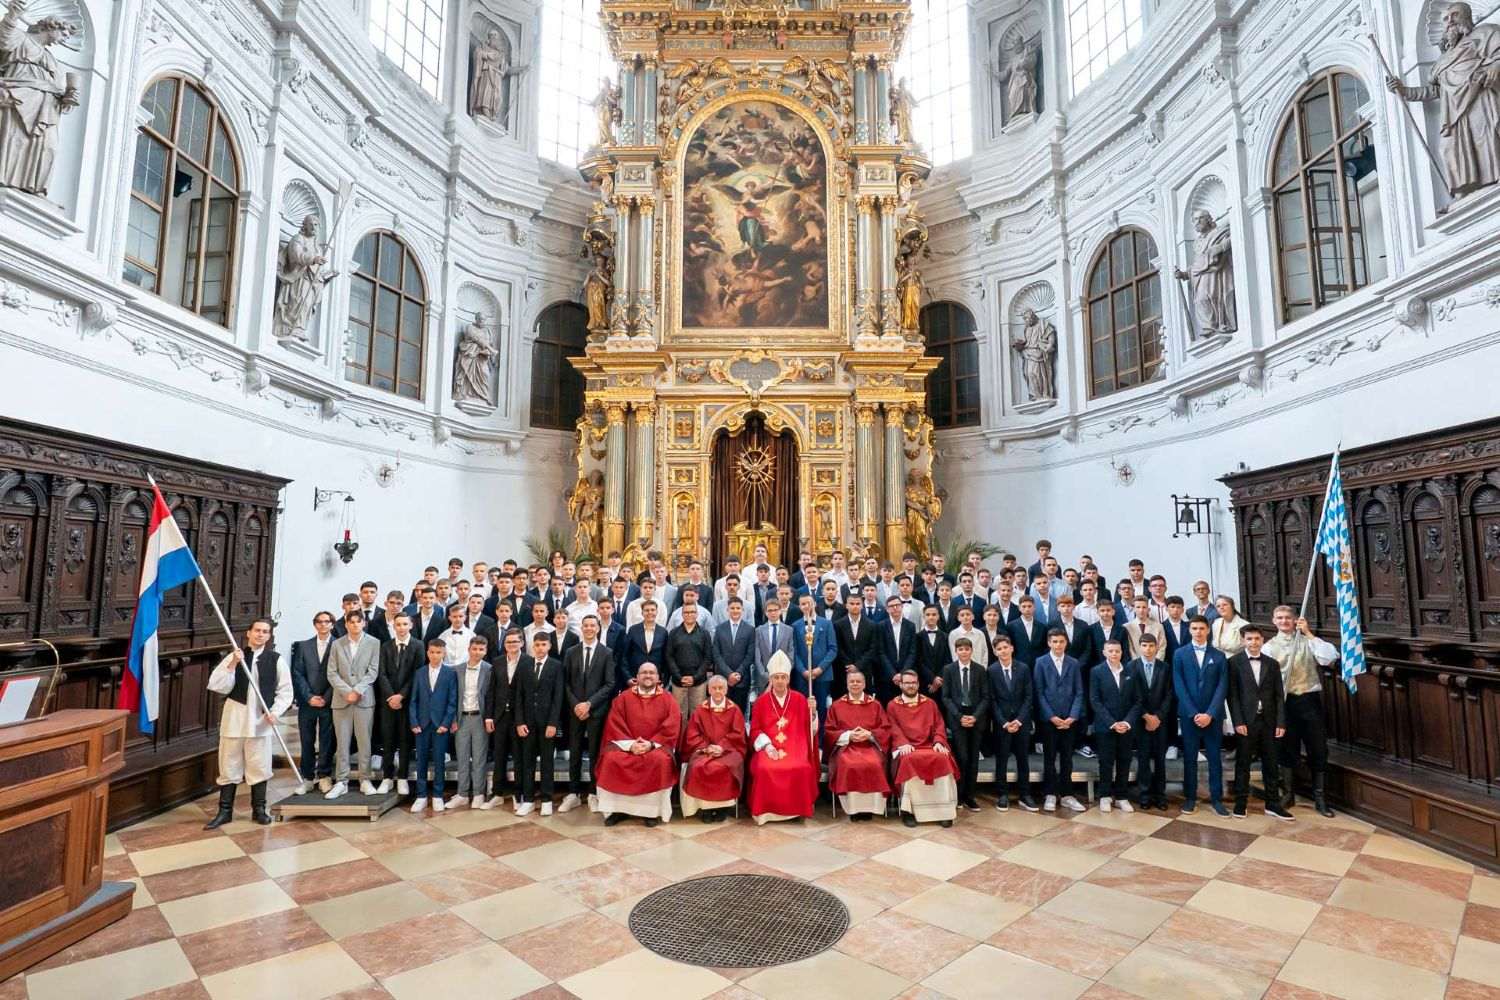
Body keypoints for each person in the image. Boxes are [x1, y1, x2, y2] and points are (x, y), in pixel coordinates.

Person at [203, 619, 292, 828]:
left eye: (265, 632)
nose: (260, 635)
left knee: (259, 765)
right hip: (235, 718)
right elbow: (216, 685)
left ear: (269, 636)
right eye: (257, 631)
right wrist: (233, 663)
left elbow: (286, 691)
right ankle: (225, 811)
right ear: (249, 633)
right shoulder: (235, 656)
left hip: (260, 721)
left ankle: (259, 810)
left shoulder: (276, 660)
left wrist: (275, 711)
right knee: (229, 765)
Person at [1264, 605, 1339, 817]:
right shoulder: (1268, 647)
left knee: (1318, 748)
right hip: (1285, 703)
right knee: (1287, 749)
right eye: (1279, 618)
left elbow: (1329, 657)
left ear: (1296, 620)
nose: (1284, 621)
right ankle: (1288, 793)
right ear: (1274, 621)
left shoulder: (1308, 641)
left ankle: (1320, 797)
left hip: (1309, 701)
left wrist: (1308, 633)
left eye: (1288, 618)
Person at [597, 663, 680, 826]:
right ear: (637, 676)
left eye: (651, 673)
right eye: (644, 673)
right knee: (611, 759)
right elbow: (615, 724)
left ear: (658, 678)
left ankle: (651, 813)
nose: (648, 676)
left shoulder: (668, 699)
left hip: (656, 746)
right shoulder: (623, 698)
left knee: (660, 761)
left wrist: (650, 744)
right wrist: (630, 745)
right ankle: (618, 810)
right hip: (627, 745)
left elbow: (672, 726)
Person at [1227, 624, 1294, 821]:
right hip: (1246, 722)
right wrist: (1238, 721)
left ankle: (1272, 804)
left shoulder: (1272, 664)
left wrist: (1281, 723)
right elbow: (1232, 696)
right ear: (1243, 641)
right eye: (1249, 639)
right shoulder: (1234, 663)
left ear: (1262, 640)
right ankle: (1241, 803)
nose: (1253, 642)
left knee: (1271, 763)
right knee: (1243, 763)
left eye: (1257, 639)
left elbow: (1278, 695)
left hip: (1269, 721)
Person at [747, 652, 819, 824]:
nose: (779, 681)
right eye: (776, 677)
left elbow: (811, 730)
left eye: (783, 677)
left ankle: (797, 810)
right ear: (771, 679)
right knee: (764, 768)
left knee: (801, 767)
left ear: (788, 679)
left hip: (795, 747)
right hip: (769, 747)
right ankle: (765, 812)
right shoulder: (761, 702)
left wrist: (813, 711)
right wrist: (767, 746)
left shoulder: (800, 699)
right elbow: (755, 730)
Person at [888, 669, 960, 826]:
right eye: (907, 683)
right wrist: (903, 743)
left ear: (918, 684)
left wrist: (939, 741)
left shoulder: (930, 703)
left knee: (943, 758)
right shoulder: (893, 705)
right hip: (907, 746)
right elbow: (892, 728)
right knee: (908, 760)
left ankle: (944, 812)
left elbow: (939, 725)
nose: (911, 686)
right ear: (900, 685)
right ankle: (909, 812)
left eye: (914, 683)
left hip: (929, 745)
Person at [1173, 616, 1229, 816]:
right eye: (1194, 628)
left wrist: (1210, 713)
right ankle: (1190, 797)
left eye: (1201, 628)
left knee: (1215, 757)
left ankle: (1216, 798)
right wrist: (1194, 712)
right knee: (1190, 758)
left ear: (1208, 630)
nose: (1198, 631)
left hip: (1213, 716)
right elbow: (1179, 685)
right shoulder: (1179, 654)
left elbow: (1222, 687)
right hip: (1190, 716)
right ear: (1189, 630)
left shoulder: (1219, 656)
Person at [560, 615, 614, 813]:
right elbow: (564, 682)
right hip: (575, 711)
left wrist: (589, 704)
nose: (589, 628)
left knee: (594, 753)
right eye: (586, 625)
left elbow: (609, 684)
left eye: (593, 625)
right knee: (574, 751)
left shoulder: (606, 653)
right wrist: (577, 705)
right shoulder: (571, 652)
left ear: (598, 629)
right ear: (581, 628)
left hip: (596, 711)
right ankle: (573, 793)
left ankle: (593, 792)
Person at [824, 668, 892, 821]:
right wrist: (849, 735)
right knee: (849, 764)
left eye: (858, 681)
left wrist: (870, 734)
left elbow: (885, 728)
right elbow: (829, 730)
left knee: (874, 763)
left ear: (864, 684)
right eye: (852, 682)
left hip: (870, 746)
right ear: (847, 684)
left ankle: (871, 808)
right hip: (847, 747)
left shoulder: (875, 705)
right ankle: (853, 809)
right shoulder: (837, 705)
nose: (855, 684)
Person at [326, 610, 380, 799]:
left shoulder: (374, 643)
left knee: (364, 741)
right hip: (342, 700)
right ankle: (341, 781)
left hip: (364, 699)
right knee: (342, 741)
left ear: (364, 623)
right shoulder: (336, 644)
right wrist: (346, 691)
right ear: (346, 624)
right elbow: (331, 672)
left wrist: (357, 690)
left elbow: (373, 671)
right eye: (352, 622)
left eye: (359, 622)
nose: (355, 625)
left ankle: (365, 778)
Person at [1033, 627, 1085, 812]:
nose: (1058, 645)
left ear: (1066, 643)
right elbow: (1039, 693)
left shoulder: (1073, 662)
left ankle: (1067, 794)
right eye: (1054, 641)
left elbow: (1079, 691)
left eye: (1061, 641)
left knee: (1067, 759)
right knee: (1049, 758)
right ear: (1049, 643)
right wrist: (1052, 717)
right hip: (1050, 719)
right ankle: (1050, 793)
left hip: (1069, 719)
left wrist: (1072, 716)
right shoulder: (1040, 662)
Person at [514, 632, 563, 816]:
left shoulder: (556, 666)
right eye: (537, 645)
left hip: (546, 723)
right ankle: (527, 799)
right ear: (532, 646)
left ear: (549, 646)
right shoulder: (525, 665)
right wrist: (519, 721)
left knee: (547, 762)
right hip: (527, 722)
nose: (540, 648)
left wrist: (553, 723)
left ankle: (546, 799)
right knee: (527, 761)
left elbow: (558, 697)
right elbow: (519, 695)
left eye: (543, 644)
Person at [986, 633, 1037, 812]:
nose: (1003, 651)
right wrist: (1003, 722)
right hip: (1003, 724)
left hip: (1021, 722)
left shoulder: (1023, 668)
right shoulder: (991, 670)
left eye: (1005, 647)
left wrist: (1019, 720)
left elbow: (1029, 696)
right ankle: (1003, 794)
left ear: (1012, 648)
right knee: (1002, 759)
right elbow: (991, 699)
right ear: (995, 651)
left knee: (1023, 758)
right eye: (999, 649)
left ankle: (1025, 794)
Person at [1089, 639, 1140, 813]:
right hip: (1106, 726)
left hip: (1126, 726)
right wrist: (1112, 722)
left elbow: (1137, 701)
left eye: (1117, 651)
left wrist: (1126, 722)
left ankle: (1121, 796)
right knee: (1106, 761)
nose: (1114, 654)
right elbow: (1095, 701)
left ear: (1122, 652)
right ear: (1104, 652)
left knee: (1124, 760)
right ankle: (1104, 795)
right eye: (1110, 651)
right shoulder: (1096, 672)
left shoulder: (1131, 671)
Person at [408, 639, 458, 813]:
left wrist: (446, 723)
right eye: (432, 652)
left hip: (440, 726)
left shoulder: (450, 673)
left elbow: (452, 701)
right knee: (421, 760)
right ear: (428, 653)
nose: (435, 655)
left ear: (444, 653)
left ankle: (437, 795)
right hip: (421, 725)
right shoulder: (419, 672)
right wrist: (414, 722)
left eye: (439, 652)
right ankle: (421, 796)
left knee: (439, 761)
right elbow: (413, 700)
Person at [940, 636, 989, 811]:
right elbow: (945, 696)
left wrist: (974, 716)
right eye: (960, 649)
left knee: (974, 759)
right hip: (957, 717)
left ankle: (970, 796)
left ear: (971, 651)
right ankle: (959, 795)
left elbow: (985, 697)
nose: (964, 652)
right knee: (962, 757)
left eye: (967, 649)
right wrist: (959, 716)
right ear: (956, 651)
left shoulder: (980, 670)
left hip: (976, 718)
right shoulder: (949, 669)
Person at [289, 611, 336, 795]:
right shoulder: (304, 646)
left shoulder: (339, 645)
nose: (323, 625)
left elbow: (340, 673)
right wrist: (308, 696)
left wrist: (326, 697)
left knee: (326, 740)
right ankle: (307, 778)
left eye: (327, 622)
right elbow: (298, 673)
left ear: (332, 624)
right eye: (319, 622)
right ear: (315, 624)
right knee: (306, 740)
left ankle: (324, 775)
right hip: (308, 702)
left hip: (328, 701)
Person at [376, 612, 422, 795]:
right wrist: (390, 696)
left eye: (405, 624)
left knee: (404, 740)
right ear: (393, 626)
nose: (402, 627)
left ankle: (402, 777)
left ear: (410, 625)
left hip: (407, 701)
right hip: (388, 702)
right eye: (398, 624)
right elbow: (381, 673)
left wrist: (401, 696)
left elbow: (416, 674)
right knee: (387, 739)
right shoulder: (385, 646)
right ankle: (387, 778)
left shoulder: (418, 645)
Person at [447, 637, 494, 810]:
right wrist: (453, 719)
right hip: (462, 718)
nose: (477, 652)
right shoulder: (457, 670)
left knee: (480, 758)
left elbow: (490, 697)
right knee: (462, 757)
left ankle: (479, 793)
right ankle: (462, 793)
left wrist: (489, 718)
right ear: (469, 649)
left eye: (481, 649)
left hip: (480, 718)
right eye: (474, 649)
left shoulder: (489, 670)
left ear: (485, 651)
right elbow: (453, 697)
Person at [1132, 633, 1174, 811]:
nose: (1148, 649)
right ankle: (1144, 795)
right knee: (1143, 759)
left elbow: (1169, 694)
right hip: (1141, 721)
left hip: (1160, 721)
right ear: (1139, 647)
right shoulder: (1131, 667)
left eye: (1151, 646)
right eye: (1144, 646)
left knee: (1160, 759)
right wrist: (1146, 716)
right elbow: (1131, 696)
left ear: (1156, 647)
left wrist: (1158, 716)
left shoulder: (1164, 667)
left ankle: (1160, 795)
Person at [489, 629, 523, 805]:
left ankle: (519, 794)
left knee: (519, 756)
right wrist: (489, 717)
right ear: (504, 645)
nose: (511, 645)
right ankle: (497, 793)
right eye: (508, 642)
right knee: (499, 755)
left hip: (519, 718)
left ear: (522, 643)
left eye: (515, 642)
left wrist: (522, 720)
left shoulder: (528, 661)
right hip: (500, 716)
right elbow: (491, 691)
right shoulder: (497, 662)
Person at [666, 602, 714, 719]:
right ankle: (681, 737)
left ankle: (695, 738)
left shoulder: (704, 634)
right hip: (678, 682)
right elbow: (669, 656)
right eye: (686, 612)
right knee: (679, 715)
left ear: (697, 614)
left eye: (692, 612)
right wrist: (678, 676)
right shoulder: (674, 633)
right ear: (682, 614)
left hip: (699, 682)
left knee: (697, 715)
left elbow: (707, 657)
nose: (689, 615)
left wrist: (695, 677)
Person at [833, 592, 878, 695]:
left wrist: (858, 665)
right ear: (846, 605)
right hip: (844, 670)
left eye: (858, 604)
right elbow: (838, 647)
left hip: (864, 669)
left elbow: (873, 648)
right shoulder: (838, 624)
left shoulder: (871, 625)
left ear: (862, 605)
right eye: (852, 604)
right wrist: (849, 665)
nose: (855, 606)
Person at [878, 594, 917, 701]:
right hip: (887, 676)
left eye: (897, 605)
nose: (895, 608)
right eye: (891, 606)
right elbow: (881, 652)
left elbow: (912, 652)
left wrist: (903, 674)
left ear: (902, 606)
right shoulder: (881, 626)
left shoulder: (910, 626)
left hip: (907, 676)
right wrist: (893, 674)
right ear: (887, 609)